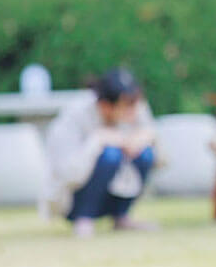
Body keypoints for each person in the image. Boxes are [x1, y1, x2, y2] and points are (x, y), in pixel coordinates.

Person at [42, 68, 158, 237]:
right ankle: (84, 218)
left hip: (115, 193)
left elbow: (159, 151)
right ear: (105, 106)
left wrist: (140, 139)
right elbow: (66, 172)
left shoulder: (136, 108)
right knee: (110, 155)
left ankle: (121, 216)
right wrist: (98, 141)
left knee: (144, 152)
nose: (134, 111)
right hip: (73, 200)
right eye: (126, 105)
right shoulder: (75, 115)